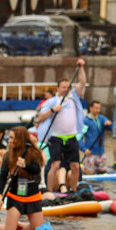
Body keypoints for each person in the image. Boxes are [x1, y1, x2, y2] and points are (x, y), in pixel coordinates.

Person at [35, 59, 88, 193]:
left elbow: (82, 82)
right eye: (63, 87)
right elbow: (40, 117)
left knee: (75, 166)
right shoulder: (52, 101)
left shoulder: (73, 96)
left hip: (71, 137)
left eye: (67, 87)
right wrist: (53, 110)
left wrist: (81, 67)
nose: (65, 89)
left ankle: (75, 191)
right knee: (55, 165)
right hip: (56, 138)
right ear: (58, 88)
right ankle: (50, 191)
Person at [0, 127, 51, 230]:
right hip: (15, 196)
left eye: (11, 138)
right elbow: (3, 177)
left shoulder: (34, 153)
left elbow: (36, 169)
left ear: (19, 139)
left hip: (33, 195)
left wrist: (25, 165)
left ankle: (19, 224)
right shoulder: (8, 155)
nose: (9, 140)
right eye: (9, 138)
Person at [81, 100, 111, 174]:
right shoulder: (86, 121)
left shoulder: (101, 118)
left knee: (103, 172)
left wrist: (109, 124)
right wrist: (84, 149)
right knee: (90, 172)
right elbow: (79, 137)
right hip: (90, 152)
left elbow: (111, 127)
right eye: (96, 108)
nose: (98, 110)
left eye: (99, 108)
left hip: (101, 152)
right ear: (90, 108)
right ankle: (81, 168)